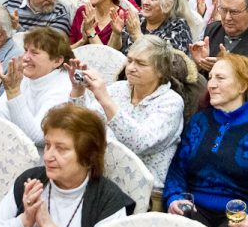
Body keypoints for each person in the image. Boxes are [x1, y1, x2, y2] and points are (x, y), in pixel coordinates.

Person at [164, 52, 248, 227]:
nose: (211, 84)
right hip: (193, 211)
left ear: (242, 85)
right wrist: (173, 198)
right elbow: (177, 171)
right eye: (211, 77)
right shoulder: (200, 121)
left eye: (220, 78)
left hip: (239, 217)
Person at [0, 103, 135, 227]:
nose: (47, 156)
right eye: (47, 145)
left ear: (88, 156)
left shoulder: (107, 199)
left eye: (61, 149)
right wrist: (25, 221)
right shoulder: (31, 182)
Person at [70, 35, 184, 202]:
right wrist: (78, 91)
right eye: (129, 61)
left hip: (144, 192)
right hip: (102, 179)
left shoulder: (171, 102)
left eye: (141, 63)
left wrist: (104, 99)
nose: (130, 68)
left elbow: (139, 143)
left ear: (161, 70)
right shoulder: (118, 89)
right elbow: (82, 125)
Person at [0, 27, 74, 145]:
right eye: (26, 50)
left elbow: (39, 137)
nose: (25, 57)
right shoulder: (24, 78)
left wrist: (13, 92)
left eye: (34, 53)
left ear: (57, 61)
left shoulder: (65, 87)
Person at [118, 0, 194, 54]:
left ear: (168, 5)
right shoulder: (139, 19)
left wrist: (136, 35)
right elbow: (114, 52)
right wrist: (116, 33)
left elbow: (164, 61)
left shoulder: (178, 26)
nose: (145, 2)